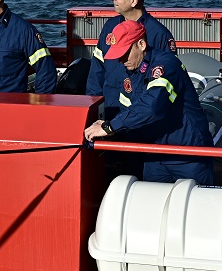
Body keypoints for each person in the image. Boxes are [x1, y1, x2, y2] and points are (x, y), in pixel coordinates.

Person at [83, 20, 214, 185]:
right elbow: (129, 107)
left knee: (194, 205)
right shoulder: (132, 69)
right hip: (155, 153)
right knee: (152, 205)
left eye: (124, 53)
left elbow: (152, 107)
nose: (121, 60)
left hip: (187, 152)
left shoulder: (166, 65)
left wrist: (109, 128)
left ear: (141, 44)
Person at [86, 0, 178, 122]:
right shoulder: (110, 27)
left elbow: (166, 84)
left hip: (138, 117)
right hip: (108, 108)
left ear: (133, 0)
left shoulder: (158, 35)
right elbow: (97, 70)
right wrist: (93, 105)